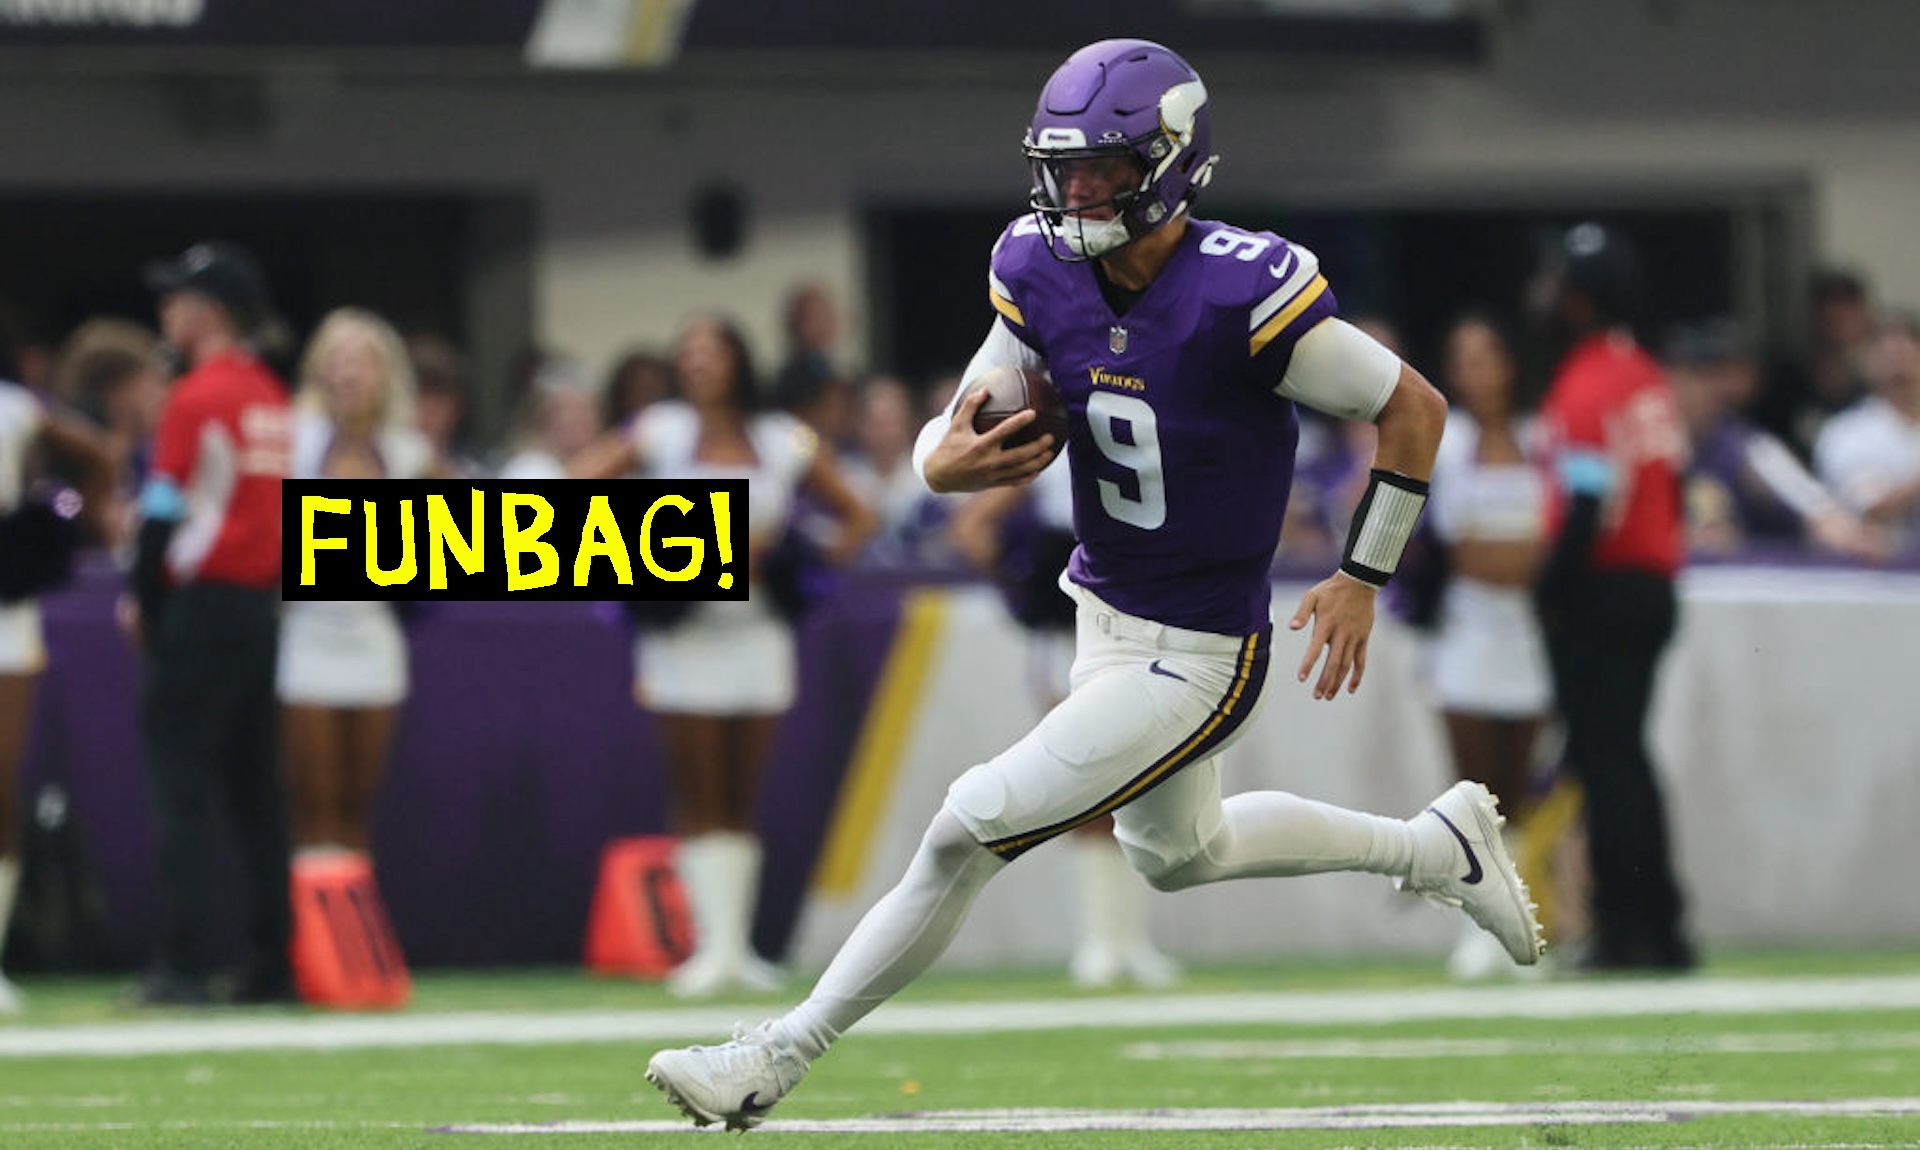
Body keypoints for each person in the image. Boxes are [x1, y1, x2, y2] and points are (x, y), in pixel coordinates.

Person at [644, 39, 1541, 1130]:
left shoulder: (1238, 291)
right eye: (1065, 166)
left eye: (1106, 168)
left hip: (1201, 648)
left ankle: (776, 1055)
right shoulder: (1038, 265)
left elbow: (1416, 410)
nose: (1078, 190)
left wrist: (1363, 571)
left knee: (968, 825)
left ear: (1169, 162)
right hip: (1102, 615)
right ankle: (1435, 847)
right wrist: (941, 459)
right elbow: (961, 420)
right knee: (1179, 853)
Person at [571, 315, 877, 999]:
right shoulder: (658, 431)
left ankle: (738, 949)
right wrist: (653, 543)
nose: (699, 363)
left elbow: (859, 515)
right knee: (697, 786)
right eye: (688, 353)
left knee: (743, 790)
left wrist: (805, 557)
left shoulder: (781, 439)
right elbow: (576, 483)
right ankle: (708, 948)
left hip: (757, 630)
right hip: (682, 635)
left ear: (739, 359)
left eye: (711, 352)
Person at [125, 240, 296, 1006]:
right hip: (261, 612)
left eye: (177, 298)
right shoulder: (272, 399)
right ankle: (271, 962)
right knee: (257, 792)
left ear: (211, 311)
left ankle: (184, 965)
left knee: (182, 791)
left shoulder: (196, 398)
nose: (166, 310)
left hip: (202, 608)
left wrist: (145, 602)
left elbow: (162, 512)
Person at [946, 459, 1182, 989]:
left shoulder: (773, 445)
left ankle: (1128, 939)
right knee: (1084, 786)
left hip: (1145, 626)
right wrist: (1029, 584)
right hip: (1073, 637)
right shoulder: (1059, 446)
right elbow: (966, 516)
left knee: (1141, 787)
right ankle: (1102, 939)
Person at [1529, 222, 1695, 973]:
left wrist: (1552, 590)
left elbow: (1590, 503)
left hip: (1602, 588)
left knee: (1605, 761)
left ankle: (1630, 930)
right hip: (1652, 583)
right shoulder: (1647, 376)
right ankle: (1659, 922)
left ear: (1581, 299)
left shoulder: (1589, 380)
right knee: (1625, 756)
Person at [1419, 312, 1555, 980]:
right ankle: (1475, 927)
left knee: (1520, 786)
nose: (1476, 372)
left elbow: (1551, 537)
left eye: (1487, 357)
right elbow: (1457, 543)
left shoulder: (1543, 436)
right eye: (1462, 359)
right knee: (1473, 788)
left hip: (1530, 630)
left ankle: (1522, 919)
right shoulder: (1447, 443)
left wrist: (1520, 558)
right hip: (1467, 628)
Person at [279, 308, 442, 857]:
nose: (347, 373)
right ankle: (311, 930)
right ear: (319, 371)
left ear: (383, 375)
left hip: (374, 638)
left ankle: (347, 929)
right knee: (313, 803)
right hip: (304, 635)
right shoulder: (291, 445)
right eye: (336, 359)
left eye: (360, 361)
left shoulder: (409, 454)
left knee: (356, 804)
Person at [1, 333, 116, 1014]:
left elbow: (96, 458)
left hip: (6, 621)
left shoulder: (15, 409)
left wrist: (55, 524)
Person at [1665, 318, 1885, 559]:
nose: (1713, 388)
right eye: (1700, 375)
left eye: (1720, 375)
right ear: (1670, 376)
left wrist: (1845, 533)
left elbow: (1818, 508)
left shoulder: (1746, 447)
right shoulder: (1641, 442)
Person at [1814, 313, 1920, 551]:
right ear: (1871, 365)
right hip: (1872, 578)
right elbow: (1872, 509)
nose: (1900, 370)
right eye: (1890, 359)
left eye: (1908, 357)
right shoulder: (1847, 433)